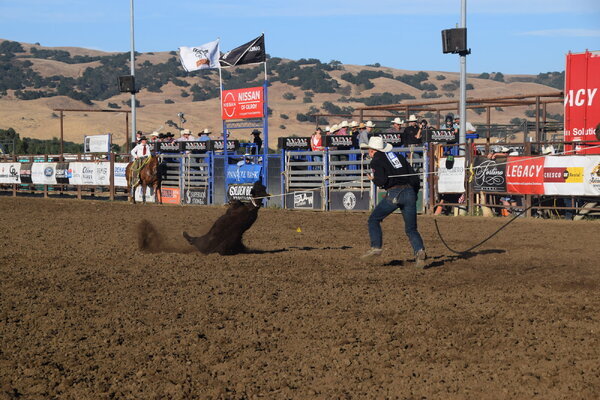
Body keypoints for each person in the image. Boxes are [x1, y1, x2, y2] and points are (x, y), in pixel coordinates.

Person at [362, 136, 427, 267]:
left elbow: (381, 180)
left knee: (374, 219)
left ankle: (376, 247)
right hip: (410, 192)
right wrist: (414, 193)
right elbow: (414, 178)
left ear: (372, 150)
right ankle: (419, 251)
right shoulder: (399, 157)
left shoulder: (376, 161)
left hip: (394, 193)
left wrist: (373, 179)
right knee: (411, 229)